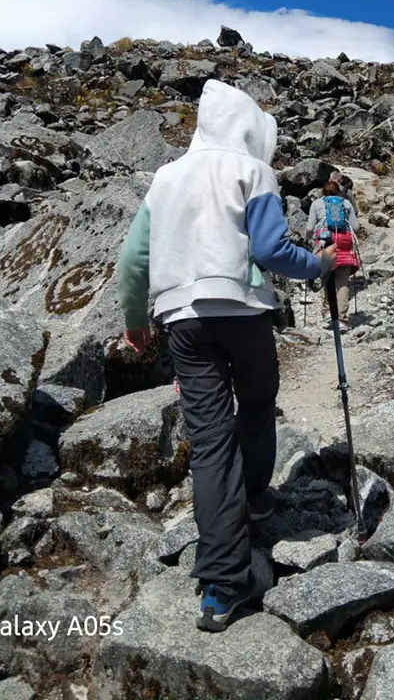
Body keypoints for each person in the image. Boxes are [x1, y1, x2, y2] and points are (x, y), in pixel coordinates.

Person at [116, 80, 336, 633]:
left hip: (183, 320)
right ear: (247, 127)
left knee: (210, 443)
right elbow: (269, 250)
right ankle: (256, 496)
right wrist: (319, 263)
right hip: (243, 313)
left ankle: (220, 586)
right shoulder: (253, 171)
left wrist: (136, 323)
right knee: (258, 402)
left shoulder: (165, 178)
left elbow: (133, 260)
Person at [306, 179, 359, 327]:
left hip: (324, 242)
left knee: (325, 276)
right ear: (339, 192)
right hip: (343, 243)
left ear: (323, 192)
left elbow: (310, 228)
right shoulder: (346, 203)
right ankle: (341, 319)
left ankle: (327, 312)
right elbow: (355, 227)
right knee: (342, 281)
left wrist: (308, 238)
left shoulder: (317, 204)